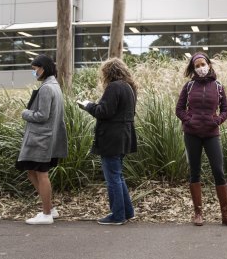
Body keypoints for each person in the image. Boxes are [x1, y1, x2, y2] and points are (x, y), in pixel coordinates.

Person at [175, 52, 227, 227]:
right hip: (192, 134)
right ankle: (198, 213)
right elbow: (179, 109)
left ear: (209, 65)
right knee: (194, 172)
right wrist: (189, 120)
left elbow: (226, 109)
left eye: (203, 64)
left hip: (212, 134)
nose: (200, 68)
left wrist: (216, 120)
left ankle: (226, 215)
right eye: (197, 66)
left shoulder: (218, 86)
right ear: (193, 69)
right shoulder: (188, 86)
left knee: (218, 171)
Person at [79, 58, 137, 225]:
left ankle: (117, 215)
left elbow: (104, 111)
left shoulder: (114, 87)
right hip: (125, 136)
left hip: (111, 137)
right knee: (118, 176)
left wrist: (88, 105)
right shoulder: (129, 87)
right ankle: (127, 211)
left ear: (108, 73)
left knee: (113, 178)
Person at [16, 54, 68, 225]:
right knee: (32, 172)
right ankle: (49, 208)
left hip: (41, 139)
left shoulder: (46, 88)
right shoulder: (54, 85)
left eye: (34, 69)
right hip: (47, 138)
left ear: (42, 69)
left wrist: (25, 113)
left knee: (40, 174)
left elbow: (42, 115)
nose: (34, 73)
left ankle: (46, 213)